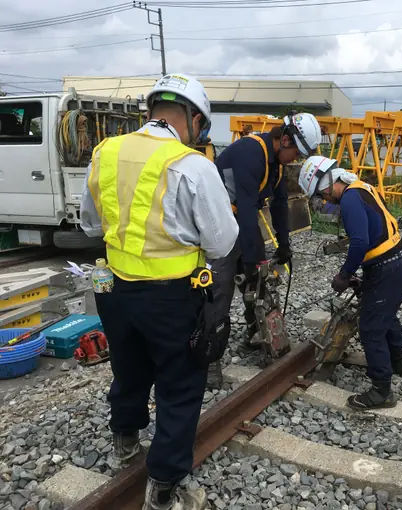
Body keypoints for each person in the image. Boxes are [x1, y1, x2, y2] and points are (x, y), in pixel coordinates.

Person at [80, 73, 238, 510]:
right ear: (193, 118)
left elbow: (92, 224)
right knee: (180, 384)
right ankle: (165, 484)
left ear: (150, 111)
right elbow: (222, 242)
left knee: (129, 368)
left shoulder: (105, 153)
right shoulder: (192, 165)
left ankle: (125, 441)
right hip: (171, 298)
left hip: (113, 290)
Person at [206, 112, 322, 389]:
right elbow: (246, 209)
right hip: (218, 222)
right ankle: (210, 360)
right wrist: (254, 259)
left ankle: (254, 334)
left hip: (239, 218)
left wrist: (284, 245)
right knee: (220, 288)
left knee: (255, 282)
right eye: (295, 152)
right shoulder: (250, 152)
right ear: (284, 140)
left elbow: (280, 205)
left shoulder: (276, 165)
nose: (295, 159)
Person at [299, 156, 402, 410]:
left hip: (387, 269)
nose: (325, 200)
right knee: (386, 315)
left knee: (371, 328)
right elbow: (374, 232)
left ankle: (381, 391)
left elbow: (360, 242)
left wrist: (343, 274)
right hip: (396, 263)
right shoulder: (362, 187)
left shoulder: (350, 198)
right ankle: (398, 362)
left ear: (328, 182)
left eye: (322, 195)